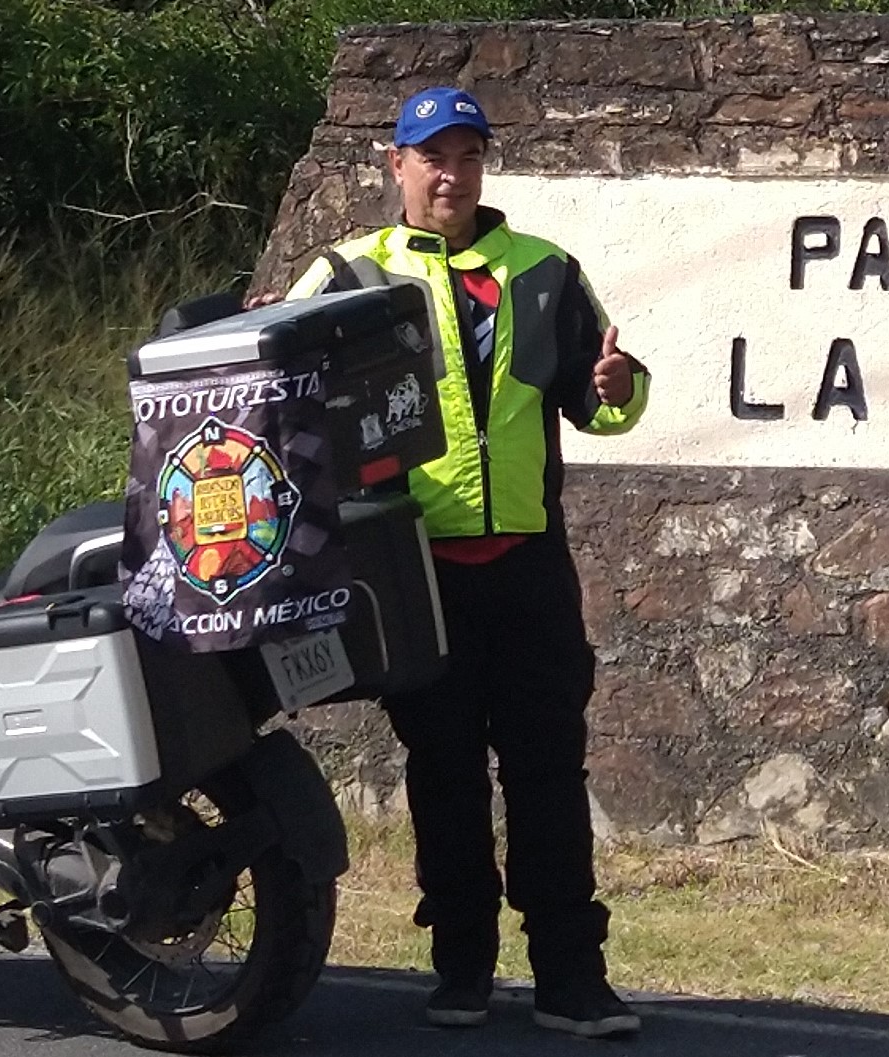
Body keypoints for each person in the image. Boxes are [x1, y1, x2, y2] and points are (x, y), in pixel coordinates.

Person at [276, 86, 650, 1037]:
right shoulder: (347, 274)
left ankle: (571, 973)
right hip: (415, 567)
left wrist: (620, 384)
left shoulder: (543, 270)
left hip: (527, 564)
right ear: (394, 165)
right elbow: (277, 399)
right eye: (431, 156)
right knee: (441, 765)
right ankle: (462, 967)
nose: (451, 174)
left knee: (547, 768)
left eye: (468, 155)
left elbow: (597, 400)